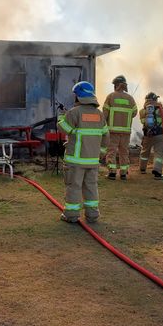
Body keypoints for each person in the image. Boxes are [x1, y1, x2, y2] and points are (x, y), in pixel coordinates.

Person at [58, 81, 110, 223]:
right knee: (91, 187)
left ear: (78, 96)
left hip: (75, 161)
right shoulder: (100, 115)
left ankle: (71, 215)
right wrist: (101, 152)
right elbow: (106, 135)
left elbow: (64, 128)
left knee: (74, 187)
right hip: (93, 160)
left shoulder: (74, 113)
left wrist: (61, 116)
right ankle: (92, 215)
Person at [103, 75, 138, 180]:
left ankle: (112, 173)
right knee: (124, 152)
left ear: (116, 85)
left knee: (111, 151)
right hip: (126, 132)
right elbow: (135, 113)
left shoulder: (110, 97)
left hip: (113, 131)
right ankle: (123, 173)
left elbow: (104, 114)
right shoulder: (130, 98)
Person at [139, 92, 163, 179]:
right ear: (155, 99)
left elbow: (142, 121)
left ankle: (142, 169)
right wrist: (161, 107)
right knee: (158, 153)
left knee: (145, 151)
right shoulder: (159, 108)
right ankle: (157, 171)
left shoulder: (142, 111)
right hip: (159, 134)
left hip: (147, 134)